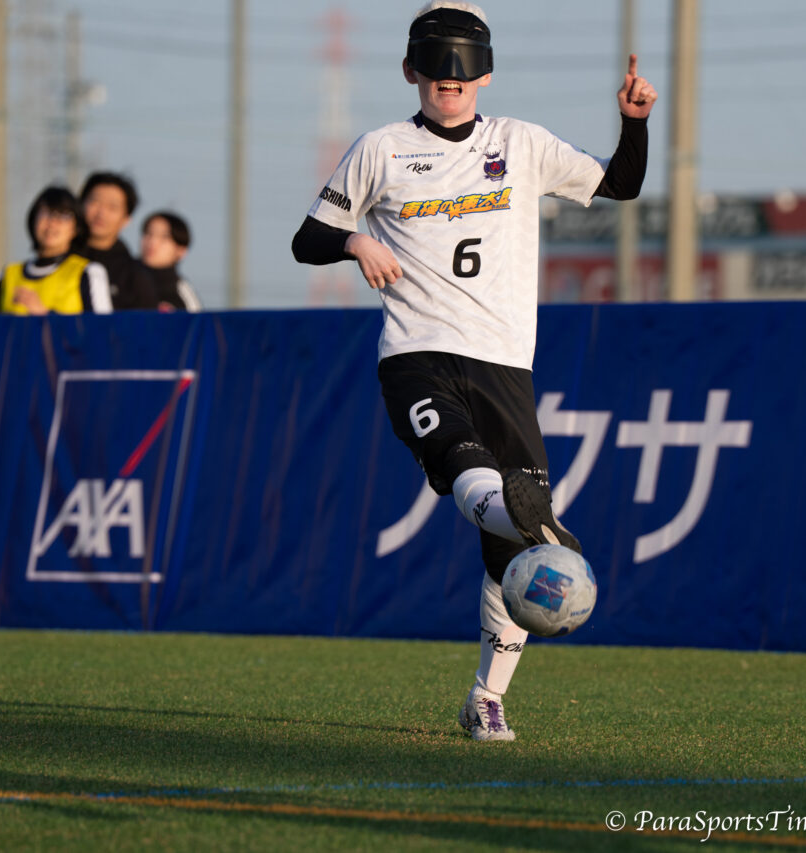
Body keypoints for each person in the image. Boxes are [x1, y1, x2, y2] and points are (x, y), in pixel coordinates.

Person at [291, 1, 655, 741]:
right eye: (434, 63)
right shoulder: (381, 149)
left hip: (504, 363)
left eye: (462, 64)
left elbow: (621, 184)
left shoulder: (521, 143)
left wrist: (634, 122)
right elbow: (308, 240)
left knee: (509, 552)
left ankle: (487, 696)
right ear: (410, 71)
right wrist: (357, 242)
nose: (448, 77)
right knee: (464, 464)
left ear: (484, 73)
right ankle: (524, 513)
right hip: (417, 352)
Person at [0, 186, 112, 315]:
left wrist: (45, 316)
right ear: (33, 219)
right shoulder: (8, 275)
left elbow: (103, 331)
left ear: (76, 228)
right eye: (46, 213)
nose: (52, 223)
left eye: (63, 216)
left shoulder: (88, 272)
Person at [74, 172, 157, 310]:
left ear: (126, 219)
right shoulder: (58, 259)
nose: (101, 213)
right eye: (95, 202)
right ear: (80, 205)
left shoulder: (135, 276)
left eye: (112, 207)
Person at [140, 210, 203, 312]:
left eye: (164, 237)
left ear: (181, 251)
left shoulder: (181, 292)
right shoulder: (122, 276)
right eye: (148, 233)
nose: (152, 241)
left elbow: (197, 320)